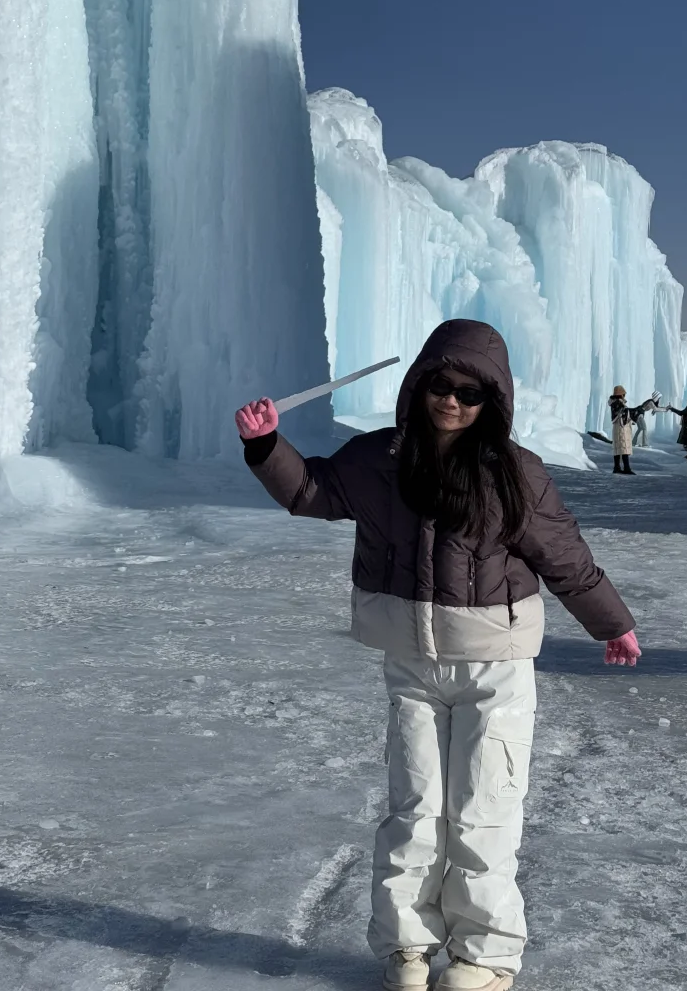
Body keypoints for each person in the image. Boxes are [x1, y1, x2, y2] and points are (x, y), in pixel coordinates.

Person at [236, 320, 640, 991]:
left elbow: (565, 559)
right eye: (440, 386)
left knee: (484, 810)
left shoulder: (517, 474)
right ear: (419, 384)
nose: (450, 401)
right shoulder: (379, 460)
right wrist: (264, 446)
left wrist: (612, 625)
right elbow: (310, 492)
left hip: (494, 669)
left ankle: (484, 957)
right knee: (414, 808)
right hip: (412, 665)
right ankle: (406, 947)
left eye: (469, 393)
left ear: (493, 402)